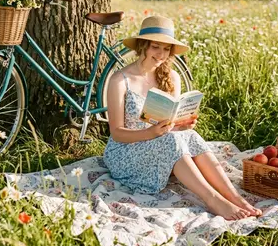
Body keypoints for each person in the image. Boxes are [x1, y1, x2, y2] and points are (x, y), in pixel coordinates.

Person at [103, 15, 261, 220]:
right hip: (126, 151)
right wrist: (150, 132)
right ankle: (213, 199)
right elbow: (116, 133)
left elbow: (172, 124)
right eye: (155, 47)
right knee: (171, 141)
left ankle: (235, 197)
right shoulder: (119, 80)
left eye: (166, 49)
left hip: (160, 142)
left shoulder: (172, 77)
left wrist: (183, 125)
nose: (161, 54)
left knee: (190, 136)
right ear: (142, 46)